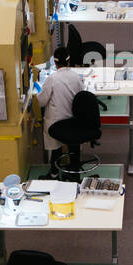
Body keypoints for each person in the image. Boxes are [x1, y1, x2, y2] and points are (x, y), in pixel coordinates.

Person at [37, 47, 85, 176]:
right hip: (73, 122)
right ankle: (74, 170)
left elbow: (41, 101)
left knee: (55, 144)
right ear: (69, 61)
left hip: (56, 124)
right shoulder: (76, 77)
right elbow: (82, 96)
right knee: (72, 141)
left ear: (55, 63)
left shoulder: (52, 79)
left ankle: (54, 172)